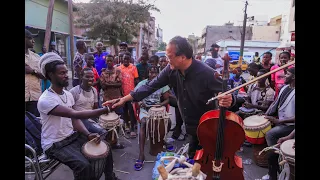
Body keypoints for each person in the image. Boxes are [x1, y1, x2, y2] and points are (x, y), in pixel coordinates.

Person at [103, 36, 236, 158]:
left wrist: (229, 99)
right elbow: (150, 86)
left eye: (170, 56)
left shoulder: (206, 73)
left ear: (182, 57)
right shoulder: (171, 70)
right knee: (193, 163)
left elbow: (230, 93)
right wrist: (124, 99)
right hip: (190, 127)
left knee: (208, 163)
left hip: (207, 127)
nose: (167, 60)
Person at [38, 53, 119, 180]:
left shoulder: (67, 94)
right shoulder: (46, 100)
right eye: (61, 73)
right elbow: (74, 114)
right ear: (50, 75)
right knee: (83, 166)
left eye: (66, 72)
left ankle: (111, 177)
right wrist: (106, 109)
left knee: (106, 148)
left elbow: (74, 119)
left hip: (71, 137)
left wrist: (87, 134)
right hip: (55, 144)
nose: (66, 76)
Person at [70, 67, 124, 150]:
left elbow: (95, 107)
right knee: (102, 131)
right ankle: (101, 150)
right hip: (80, 119)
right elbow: (71, 112)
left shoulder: (94, 90)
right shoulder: (74, 91)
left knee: (115, 122)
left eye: (92, 77)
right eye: (87, 77)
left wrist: (104, 114)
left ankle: (111, 144)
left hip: (91, 117)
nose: (90, 79)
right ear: (81, 77)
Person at [133, 66, 171, 171]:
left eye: (155, 73)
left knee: (168, 122)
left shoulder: (162, 84)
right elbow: (135, 97)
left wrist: (160, 104)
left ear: (158, 74)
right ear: (148, 73)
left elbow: (167, 100)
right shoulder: (142, 84)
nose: (153, 75)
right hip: (145, 111)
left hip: (157, 109)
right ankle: (141, 155)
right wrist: (140, 102)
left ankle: (163, 141)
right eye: (151, 72)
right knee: (144, 123)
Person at [261, 67, 295, 180]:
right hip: (281, 123)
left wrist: (281, 121)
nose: (284, 76)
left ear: (294, 77)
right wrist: (265, 115)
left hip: (291, 126)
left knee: (270, 134)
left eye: (288, 74)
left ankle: (272, 174)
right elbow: (275, 104)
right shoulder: (284, 88)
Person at [118, 52, 139, 138]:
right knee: (124, 111)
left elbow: (136, 80)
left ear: (130, 59)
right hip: (123, 94)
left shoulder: (133, 68)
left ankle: (132, 128)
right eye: (124, 59)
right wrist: (120, 92)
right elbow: (118, 81)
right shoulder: (119, 69)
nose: (126, 60)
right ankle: (126, 125)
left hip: (131, 94)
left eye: (127, 59)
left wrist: (135, 91)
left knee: (132, 111)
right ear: (122, 59)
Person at [25, 29, 45, 116]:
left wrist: (33, 71)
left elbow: (44, 76)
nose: (33, 41)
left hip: (35, 97)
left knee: (34, 124)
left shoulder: (37, 57)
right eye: (30, 38)